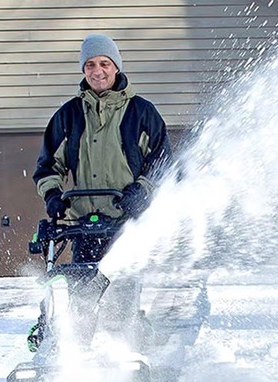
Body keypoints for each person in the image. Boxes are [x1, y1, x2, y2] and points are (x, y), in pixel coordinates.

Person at [27, 34, 172, 352]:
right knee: (82, 300)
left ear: (116, 66)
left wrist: (142, 190)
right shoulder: (68, 116)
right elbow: (48, 166)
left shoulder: (141, 113)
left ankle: (130, 357)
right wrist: (53, 196)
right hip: (83, 225)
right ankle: (77, 366)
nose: (97, 71)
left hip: (126, 225)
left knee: (121, 298)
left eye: (104, 63)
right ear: (83, 69)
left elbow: (163, 162)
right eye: (90, 64)